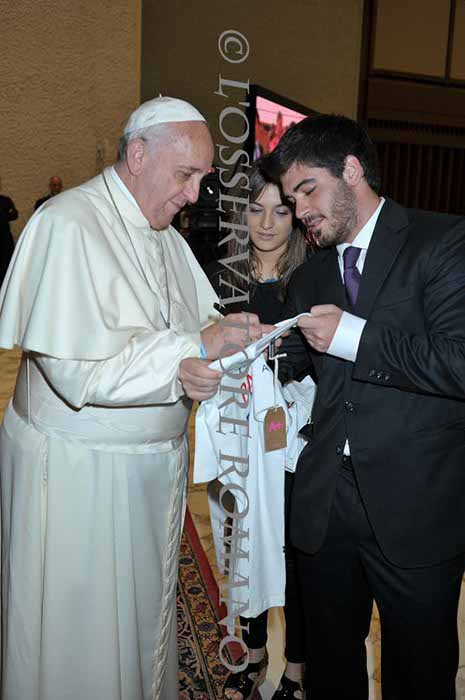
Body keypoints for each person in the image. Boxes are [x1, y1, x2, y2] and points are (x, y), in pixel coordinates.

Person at [0, 96, 270, 700]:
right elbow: (75, 372)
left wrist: (220, 347)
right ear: (139, 154)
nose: (194, 195)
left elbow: (189, 327)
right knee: (80, 637)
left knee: (141, 622)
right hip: (79, 478)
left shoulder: (163, 234)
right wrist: (190, 351)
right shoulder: (68, 224)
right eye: (186, 175)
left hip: (146, 474)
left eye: (201, 178)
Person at [269, 114, 465, 699]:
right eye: (291, 199)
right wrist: (258, 353)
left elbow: (459, 363)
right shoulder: (311, 275)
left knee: (419, 673)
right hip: (326, 504)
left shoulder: (443, 241)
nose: (300, 211)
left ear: (351, 170)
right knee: (331, 668)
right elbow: (305, 370)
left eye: (308, 190)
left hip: (417, 507)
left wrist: (354, 337)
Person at [207, 159, 310, 700]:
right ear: (240, 213)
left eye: (280, 210)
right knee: (240, 542)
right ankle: (252, 651)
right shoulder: (221, 277)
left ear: (297, 215)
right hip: (236, 435)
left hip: (291, 439)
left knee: (294, 551)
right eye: (255, 209)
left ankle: (296, 667)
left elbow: (320, 362)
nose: (267, 223)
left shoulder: (312, 276)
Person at [0, 178, 17, 286]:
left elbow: (14, 214)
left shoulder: (5, 200)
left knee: (5, 266)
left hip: (4, 240)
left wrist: (3, 215)